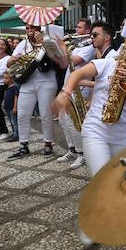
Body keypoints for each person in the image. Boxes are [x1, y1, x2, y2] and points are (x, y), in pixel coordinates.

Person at [53, 30, 126, 178]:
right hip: (95, 132)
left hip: (123, 137)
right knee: (102, 179)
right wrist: (66, 93)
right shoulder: (108, 64)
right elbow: (76, 74)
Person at [7, 25, 63, 160]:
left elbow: (59, 61)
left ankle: (48, 143)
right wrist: (13, 60)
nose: (30, 31)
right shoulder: (23, 44)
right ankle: (23, 145)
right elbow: (9, 63)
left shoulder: (49, 42)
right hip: (27, 82)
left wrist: (42, 45)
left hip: (47, 82)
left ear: (39, 29)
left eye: (33, 28)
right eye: (27, 28)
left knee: (45, 114)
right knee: (22, 114)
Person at [56, 18, 95, 169]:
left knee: (74, 122)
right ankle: (71, 149)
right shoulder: (76, 44)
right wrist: (56, 50)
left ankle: (82, 154)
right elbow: (64, 64)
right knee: (63, 120)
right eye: (76, 27)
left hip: (80, 89)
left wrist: (62, 47)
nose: (76, 30)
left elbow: (76, 61)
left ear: (87, 30)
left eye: (79, 28)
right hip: (68, 86)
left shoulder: (89, 45)